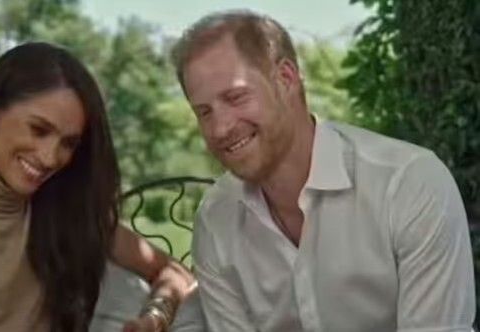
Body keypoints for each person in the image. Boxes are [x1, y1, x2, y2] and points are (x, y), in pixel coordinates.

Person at [171, 10, 476, 331]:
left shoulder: (409, 184)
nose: (219, 129)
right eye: (203, 111)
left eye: (235, 97)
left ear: (285, 78)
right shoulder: (216, 218)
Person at [0, 42, 195, 332]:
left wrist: (154, 318)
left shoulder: (66, 214)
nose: (51, 157)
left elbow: (175, 274)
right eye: (38, 130)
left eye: (68, 143)